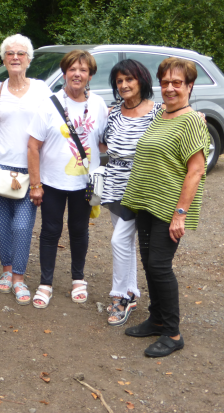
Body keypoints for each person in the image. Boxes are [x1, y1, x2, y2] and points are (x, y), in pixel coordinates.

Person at [121, 57, 209, 357]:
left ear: (189, 86)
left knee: (160, 267)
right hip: (148, 202)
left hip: (170, 208)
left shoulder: (192, 121)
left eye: (177, 83)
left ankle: (172, 333)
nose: (170, 88)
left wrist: (180, 213)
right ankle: (157, 319)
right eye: (165, 82)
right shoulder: (161, 114)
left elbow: (196, 169)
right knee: (149, 263)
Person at [27, 50, 108, 309]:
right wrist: (35, 184)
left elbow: (105, 144)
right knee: (50, 231)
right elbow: (33, 146)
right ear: (64, 73)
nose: (77, 74)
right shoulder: (48, 104)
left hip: (86, 183)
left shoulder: (98, 105)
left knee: (79, 230)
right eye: (72, 69)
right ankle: (45, 283)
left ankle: (78, 278)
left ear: (90, 76)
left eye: (83, 70)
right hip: (51, 182)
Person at [0, 34, 52, 305]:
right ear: (3, 59)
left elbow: (59, 118)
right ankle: (6, 269)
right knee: (1, 224)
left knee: (23, 225)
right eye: (10, 53)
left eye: (21, 53)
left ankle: (19, 278)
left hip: (31, 169)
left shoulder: (42, 90)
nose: (15, 57)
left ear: (29, 59)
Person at [101, 59, 162, 325]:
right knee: (125, 242)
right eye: (119, 81)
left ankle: (120, 297)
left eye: (129, 79)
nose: (124, 85)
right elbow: (103, 143)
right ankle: (132, 293)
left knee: (118, 241)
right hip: (115, 183)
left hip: (143, 186)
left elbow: (182, 125)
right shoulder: (113, 113)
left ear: (141, 81)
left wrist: (197, 116)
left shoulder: (158, 112)